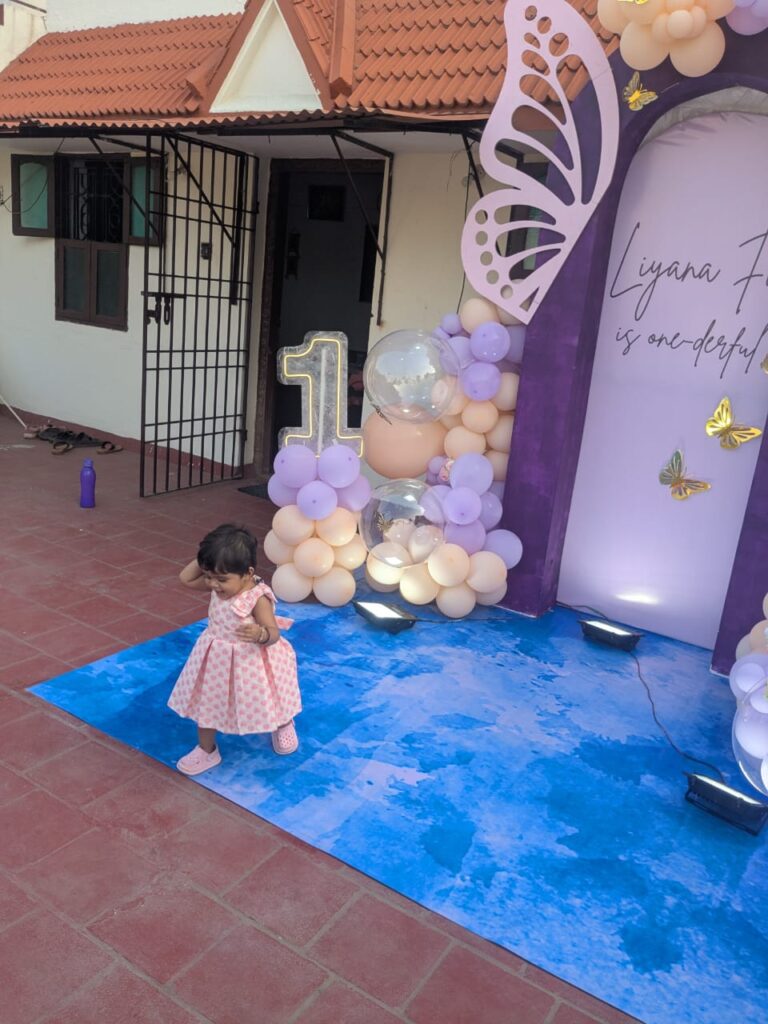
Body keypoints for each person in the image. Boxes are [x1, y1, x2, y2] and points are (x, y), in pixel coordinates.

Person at [168, 523, 301, 775]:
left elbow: (274, 633)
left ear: (248, 573)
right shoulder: (218, 583)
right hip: (216, 659)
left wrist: (260, 633)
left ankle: (283, 723)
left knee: (271, 696)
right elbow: (185, 578)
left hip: (252, 661)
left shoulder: (257, 597)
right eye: (209, 576)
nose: (213, 585)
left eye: (221, 579)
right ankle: (207, 751)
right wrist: (207, 559)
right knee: (207, 703)